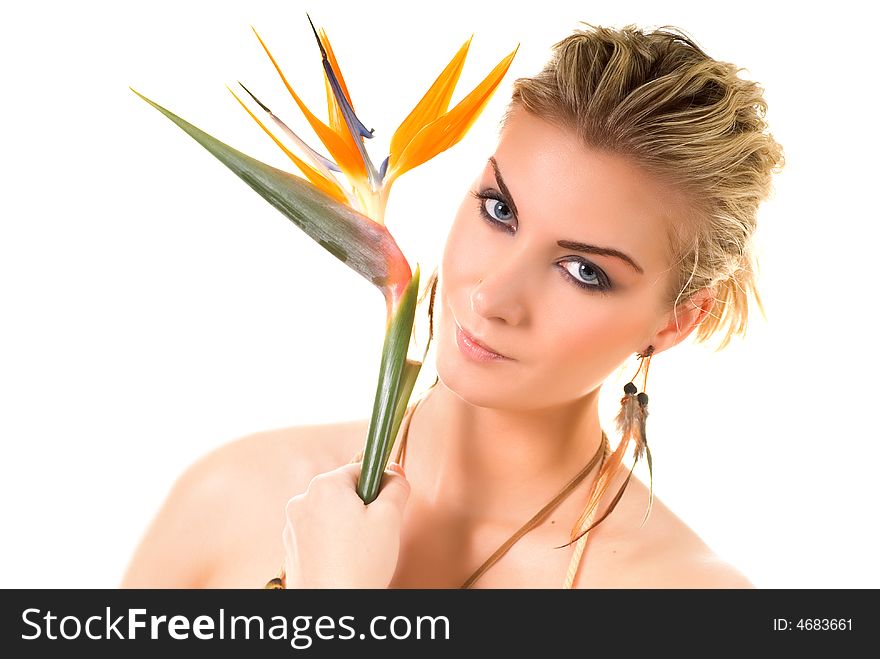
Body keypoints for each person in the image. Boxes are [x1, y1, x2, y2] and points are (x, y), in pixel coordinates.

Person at [120, 22, 784, 589]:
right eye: (500, 210)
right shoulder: (235, 494)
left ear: (676, 320)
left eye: (583, 271)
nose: (493, 295)